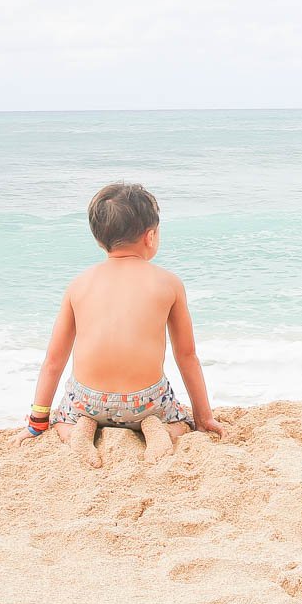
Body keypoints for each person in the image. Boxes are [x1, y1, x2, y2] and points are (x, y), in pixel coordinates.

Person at [15, 182, 227, 466]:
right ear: (150, 237)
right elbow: (186, 355)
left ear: (99, 240)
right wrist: (203, 418)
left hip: (88, 400)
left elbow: (54, 359)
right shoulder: (169, 283)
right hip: (146, 401)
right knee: (182, 421)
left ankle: (79, 430)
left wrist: (37, 422)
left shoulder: (79, 285)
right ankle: (159, 429)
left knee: (61, 421)